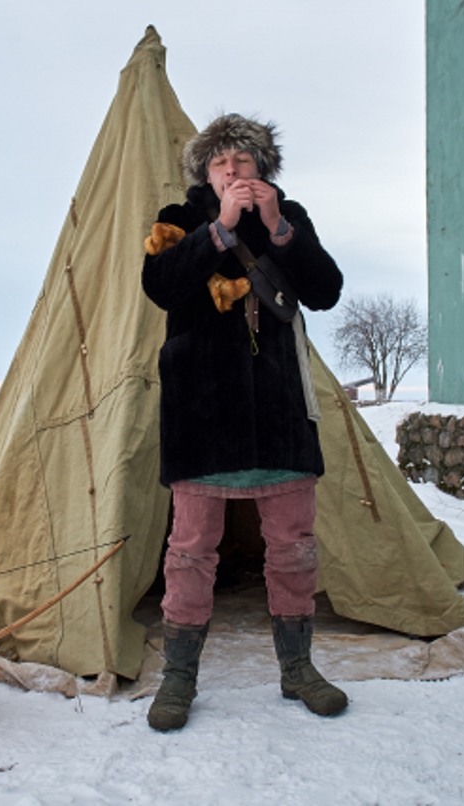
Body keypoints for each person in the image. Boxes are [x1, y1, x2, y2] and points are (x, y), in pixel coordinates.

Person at [140, 113, 346, 731]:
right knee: (190, 552)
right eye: (221, 162)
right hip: (201, 415)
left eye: (243, 160)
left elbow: (326, 291)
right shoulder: (177, 220)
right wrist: (220, 230)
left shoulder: (290, 216)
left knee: (294, 548)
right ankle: (179, 678)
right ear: (206, 173)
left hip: (280, 412)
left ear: (262, 168)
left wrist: (279, 228)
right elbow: (161, 287)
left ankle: (297, 669)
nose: (232, 170)